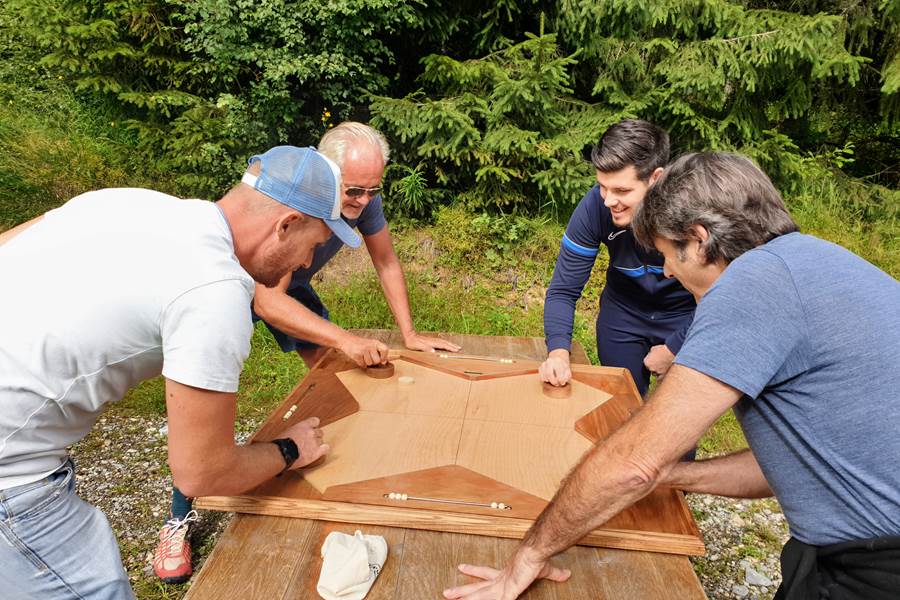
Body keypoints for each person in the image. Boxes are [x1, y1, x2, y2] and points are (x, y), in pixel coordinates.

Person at [443, 152, 900, 600]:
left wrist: (528, 557)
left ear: (699, 240)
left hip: (875, 567)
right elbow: (786, 466)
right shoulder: (815, 261)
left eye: (666, 254)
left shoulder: (754, 284)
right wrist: (672, 475)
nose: (664, 270)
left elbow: (634, 462)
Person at [0, 146, 344, 599]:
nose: (305, 264)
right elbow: (201, 475)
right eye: (313, 247)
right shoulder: (215, 291)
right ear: (286, 225)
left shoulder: (128, 201)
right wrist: (289, 449)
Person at [152, 122, 461, 584]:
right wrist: (345, 339)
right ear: (323, 173)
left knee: (332, 381)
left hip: (290, 285)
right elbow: (264, 298)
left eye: (373, 190)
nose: (361, 202)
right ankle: (178, 520)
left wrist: (409, 332)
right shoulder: (290, 190)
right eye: (353, 190)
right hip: (239, 289)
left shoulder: (363, 200)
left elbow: (386, 260)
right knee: (204, 406)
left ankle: (328, 469)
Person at [541, 119, 695, 396]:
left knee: (677, 420)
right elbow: (563, 290)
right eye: (603, 186)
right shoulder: (594, 207)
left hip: (686, 314)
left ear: (656, 178)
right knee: (624, 409)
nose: (609, 201)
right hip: (623, 312)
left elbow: (722, 294)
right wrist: (558, 352)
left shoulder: (693, 211)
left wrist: (675, 346)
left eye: (622, 191)